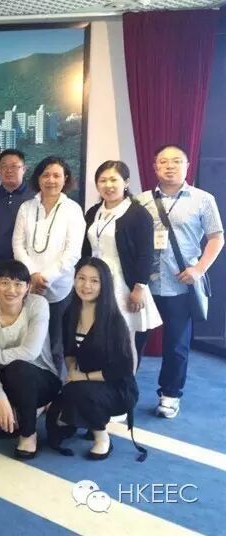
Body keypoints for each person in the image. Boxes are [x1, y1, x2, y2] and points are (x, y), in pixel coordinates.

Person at [137, 144, 224, 419]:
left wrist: (198, 269)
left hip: (181, 285)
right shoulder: (141, 201)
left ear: (187, 166)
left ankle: (170, 395)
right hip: (145, 286)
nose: (170, 166)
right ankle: (121, 394)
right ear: (155, 168)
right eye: (163, 162)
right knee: (133, 342)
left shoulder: (203, 199)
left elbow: (216, 238)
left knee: (176, 345)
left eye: (176, 161)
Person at [46, 258, 140, 460]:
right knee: (54, 421)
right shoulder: (70, 313)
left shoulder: (114, 321)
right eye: (81, 278)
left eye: (94, 281)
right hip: (84, 382)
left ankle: (102, 437)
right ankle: (85, 418)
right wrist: (72, 370)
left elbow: (123, 369)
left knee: (78, 391)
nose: (86, 285)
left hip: (117, 387)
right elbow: (69, 350)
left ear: (104, 285)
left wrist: (83, 377)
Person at [0, 260, 60, 459]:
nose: (11, 290)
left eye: (18, 284)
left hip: (42, 378)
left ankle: (28, 433)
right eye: (4, 282)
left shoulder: (38, 305)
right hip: (8, 379)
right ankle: (27, 412)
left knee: (18, 368)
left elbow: (30, 352)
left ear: (28, 287)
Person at [83, 161, 161, 371]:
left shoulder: (138, 214)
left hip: (124, 285)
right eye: (102, 180)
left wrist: (139, 288)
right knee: (97, 336)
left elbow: (146, 254)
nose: (108, 185)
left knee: (124, 340)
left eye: (113, 179)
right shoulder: (93, 212)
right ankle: (100, 383)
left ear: (126, 182)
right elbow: (85, 249)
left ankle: (126, 385)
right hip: (94, 282)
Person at [12, 156, 85, 373]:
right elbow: (18, 245)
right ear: (38, 178)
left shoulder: (73, 209)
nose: (51, 180)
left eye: (56, 175)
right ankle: (31, 383)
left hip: (59, 288)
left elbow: (73, 252)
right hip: (28, 286)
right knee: (28, 339)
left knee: (55, 343)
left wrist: (45, 278)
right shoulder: (26, 207)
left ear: (65, 179)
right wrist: (33, 275)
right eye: (46, 175)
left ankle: (53, 386)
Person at [0, 149, 32, 288]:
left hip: (24, 267)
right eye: (4, 166)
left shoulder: (34, 197)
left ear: (24, 169)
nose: (9, 170)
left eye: (14, 166)